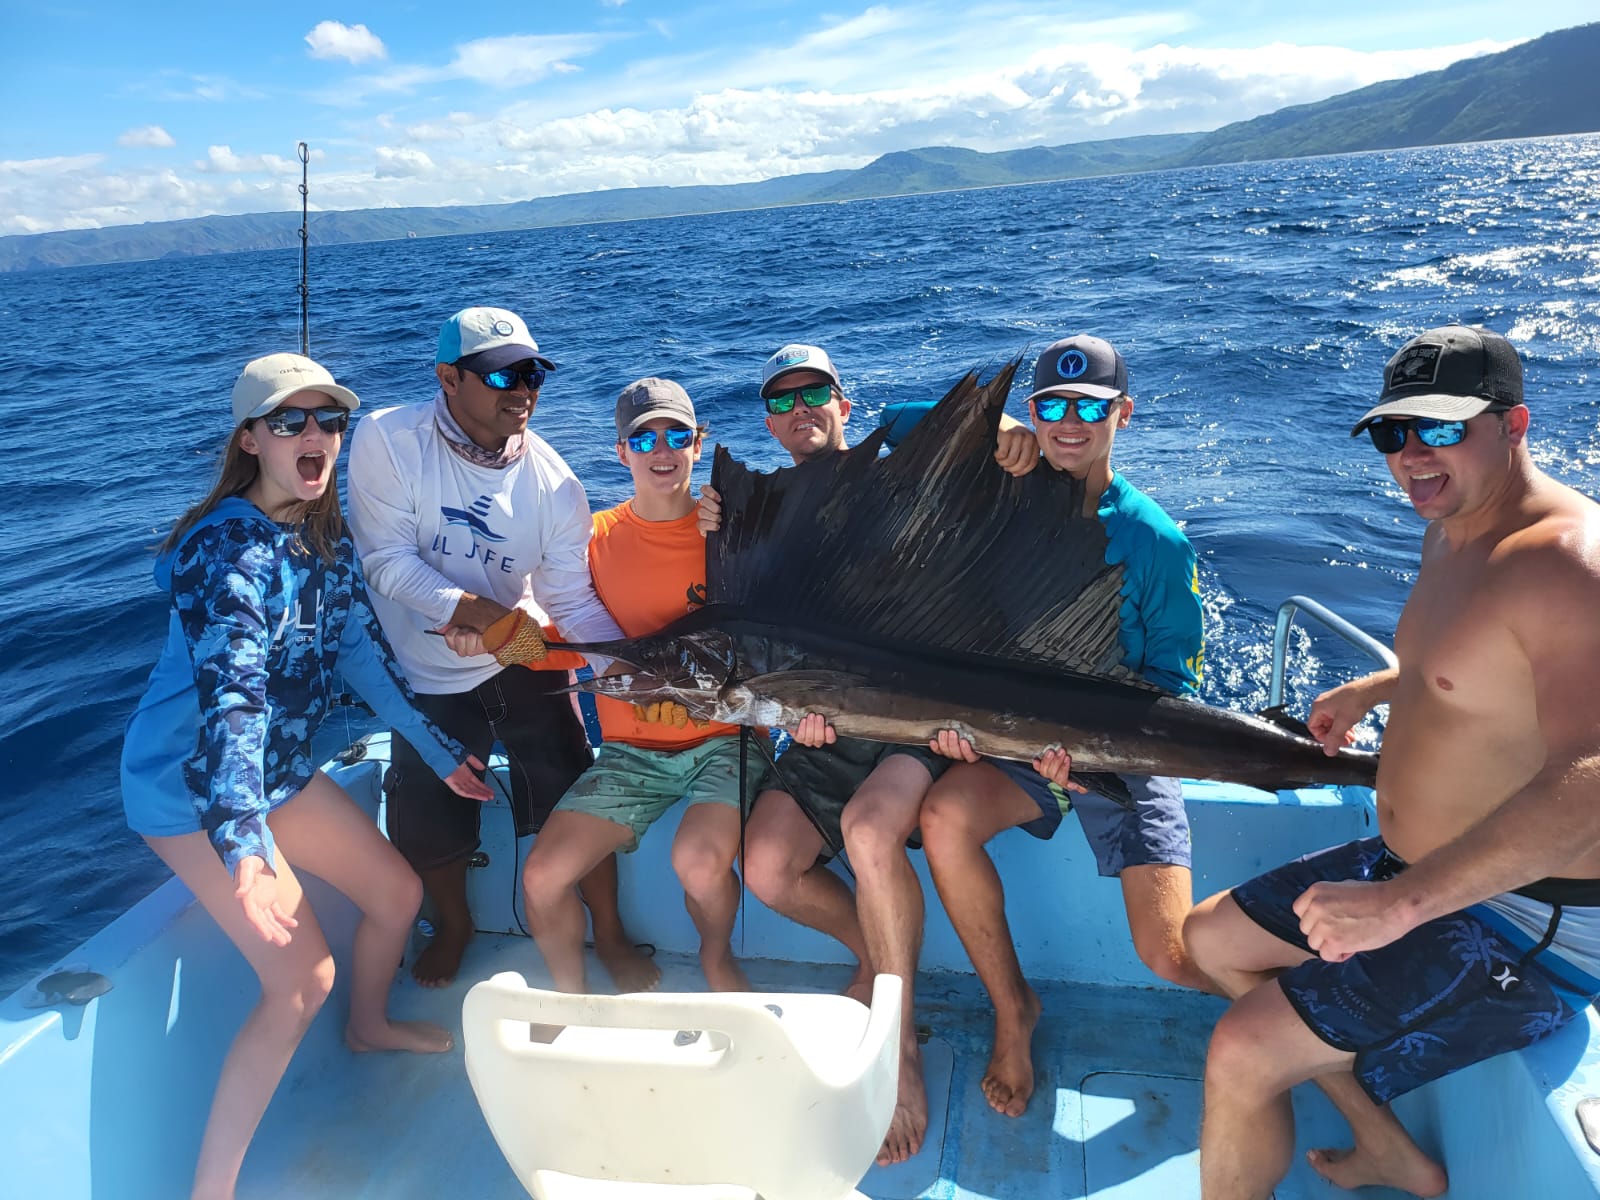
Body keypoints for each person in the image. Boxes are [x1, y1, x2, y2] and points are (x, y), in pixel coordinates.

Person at [1184, 324, 1600, 1200]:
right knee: (1210, 939)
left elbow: (1592, 778)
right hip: (1419, 868)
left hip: (1531, 918)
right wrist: (1378, 688)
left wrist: (1396, 907)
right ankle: (1389, 1150)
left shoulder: (1566, 565)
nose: (1411, 456)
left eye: (1441, 429)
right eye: (1392, 433)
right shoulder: (1451, 529)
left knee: (1242, 1052)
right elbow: (1473, 663)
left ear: (1516, 423)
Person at [121, 353, 495, 1200]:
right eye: (290, 421)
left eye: (328, 421)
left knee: (397, 896)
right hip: (193, 791)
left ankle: (367, 1029)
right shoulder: (229, 556)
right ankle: (209, 1191)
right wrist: (244, 840)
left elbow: (367, 658)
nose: (315, 436)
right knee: (299, 982)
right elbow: (234, 702)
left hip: (277, 774)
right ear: (250, 440)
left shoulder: (322, 539)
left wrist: (444, 757)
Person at [696, 342, 1036, 1165]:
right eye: (781, 401)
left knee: (869, 831)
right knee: (769, 867)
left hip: (916, 725)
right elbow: (749, 655)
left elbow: (978, 433)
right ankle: (878, 960)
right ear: (768, 421)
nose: (799, 409)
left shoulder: (895, 443)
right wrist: (711, 522)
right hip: (822, 724)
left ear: (847, 404)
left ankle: (899, 1044)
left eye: (816, 393)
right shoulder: (758, 507)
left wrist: (1017, 430)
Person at [916, 333, 1210, 1121]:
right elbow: (901, 425)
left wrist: (1088, 754)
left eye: (1091, 406)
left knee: (1168, 952)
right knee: (943, 817)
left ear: (1125, 412)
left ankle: (1307, 1011)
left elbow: (1175, 684)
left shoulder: (1155, 538)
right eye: (1053, 406)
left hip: (1120, 751)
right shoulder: (1004, 488)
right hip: (1019, 747)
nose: (1069, 422)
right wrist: (991, 430)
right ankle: (1014, 1009)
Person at [346, 307, 655, 991]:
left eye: (534, 372)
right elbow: (386, 563)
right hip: (431, 673)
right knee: (427, 819)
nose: (522, 388)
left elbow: (571, 601)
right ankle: (454, 925)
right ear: (448, 378)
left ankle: (607, 927)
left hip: (523, 655)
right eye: (501, 373)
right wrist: (482, 615)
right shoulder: (388, 439)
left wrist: (624, 670)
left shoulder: (554, 484)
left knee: (577, 796)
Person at [522, 378, 764, 994]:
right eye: (644, 437)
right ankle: (572, 1002)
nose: (663, 449)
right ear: (620, 451)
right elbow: (551, 620)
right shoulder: (590, 540)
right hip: (632, 754)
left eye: (678, 435)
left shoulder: (733, 533)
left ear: (699, 443)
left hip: (727, 738)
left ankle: (716, 956)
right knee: (542, 877)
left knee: (699, 861)